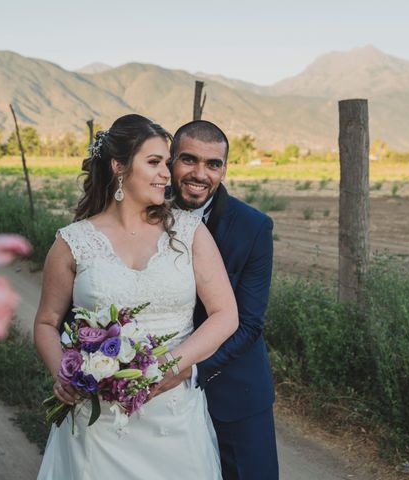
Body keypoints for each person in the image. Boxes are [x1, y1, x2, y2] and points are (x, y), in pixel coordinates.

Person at [33, 114, 238, 480]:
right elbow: (47, 322)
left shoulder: (189, 232)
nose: (166, 174)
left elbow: (225, 314)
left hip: (171, 414)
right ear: (119, 167)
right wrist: (63, 372)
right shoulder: (73, 242)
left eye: (166, 162)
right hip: (97, 419)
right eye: (154, 162)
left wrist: (167, 367)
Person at [156, 120, 279, 480]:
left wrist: (191, 370)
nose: (200, 173)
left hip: (234, 390)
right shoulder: (141, 215)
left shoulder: (254, 227)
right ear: (170, 161)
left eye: (213, 164)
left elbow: (250, 322)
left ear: (225, 169)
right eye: (188, 160)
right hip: (156, 395)